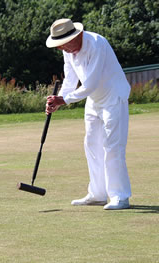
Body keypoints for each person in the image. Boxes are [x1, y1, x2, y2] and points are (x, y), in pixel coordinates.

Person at [45, 18, 131, 210]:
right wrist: (57, 100)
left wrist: (64, 100)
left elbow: (90, 83)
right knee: (91, 144)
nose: (63, 50)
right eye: (59, 47)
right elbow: (70, 79)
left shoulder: (97, 44)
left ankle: (120, 196)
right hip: (94, 100)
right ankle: (97, 194)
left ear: (77, 35)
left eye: (64, 45)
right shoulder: (69, 50)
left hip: (113, 97)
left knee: (112, 145)